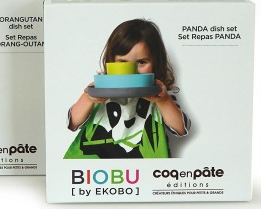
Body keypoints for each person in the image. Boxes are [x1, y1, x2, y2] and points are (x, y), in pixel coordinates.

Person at [65, 19, 190, 159]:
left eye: (141, 62)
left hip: (143, 167)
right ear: (111, 62)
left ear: (156, 63)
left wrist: (164, 100)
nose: (132, 71)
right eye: (123, 63)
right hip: (96, 164)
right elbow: (73, 123)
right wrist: (89, 98)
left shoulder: (161, 95)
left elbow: (181, 129)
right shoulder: (102, 90)